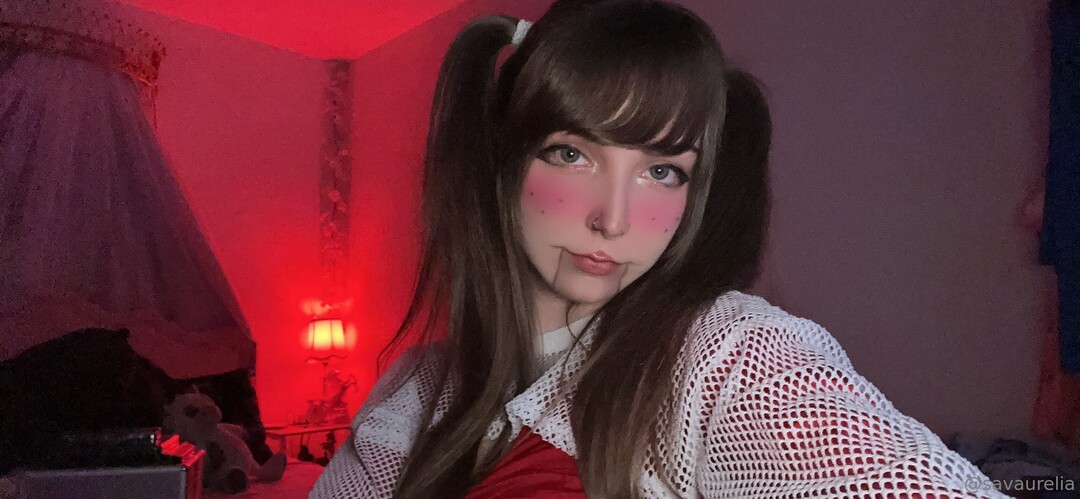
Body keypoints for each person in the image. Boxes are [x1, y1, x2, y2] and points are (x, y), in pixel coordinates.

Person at [312, 1, 1005, 497]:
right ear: (503, 163)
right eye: (571, 154)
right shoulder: (413, 391)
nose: (613, 220)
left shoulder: (724, 354)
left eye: (663, 171)